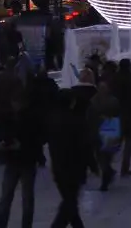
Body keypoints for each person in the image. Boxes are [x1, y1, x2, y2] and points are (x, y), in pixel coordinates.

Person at [0, 86, 46, 228]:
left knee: (15, 196)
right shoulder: (13, 117)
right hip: (18, 160)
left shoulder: (29, 118)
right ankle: (8, 224)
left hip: (22, 161)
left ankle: (6, 224)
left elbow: (38, 139)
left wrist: (16, 146)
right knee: (18, 196)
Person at [47, 89, 94, 228]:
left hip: (58, 167)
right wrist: (92, 164)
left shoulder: (52, 120)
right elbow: (84, 145)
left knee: (69, 201)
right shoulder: (76, 121)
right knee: (70, 203)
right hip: (75, 168)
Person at [86, 78, 121, 191]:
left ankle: (107, 173)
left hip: (104, 131)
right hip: (103, 132)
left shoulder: (95, 101)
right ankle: (107, 172)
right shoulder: (111, 100)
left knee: (104, 156)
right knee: (103, 156)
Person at [0, 59, 23, 159]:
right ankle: (12, 151)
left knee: (0, 132)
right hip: (12, 110)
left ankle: (0, 153)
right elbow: (20, 94)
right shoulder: (15, 78)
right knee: (12, 131)